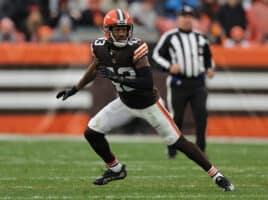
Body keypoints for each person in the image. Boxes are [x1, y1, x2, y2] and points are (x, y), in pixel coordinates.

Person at [56, 9, 234, 191]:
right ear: (107, 30)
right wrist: (75, 88)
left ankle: (216, 175)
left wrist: (119, 79)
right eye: (117, 29)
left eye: (124, 29)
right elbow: (94, 69)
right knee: (92, 132)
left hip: (149, 104)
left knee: (177, 141)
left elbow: (147, 82)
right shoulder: (100, 47)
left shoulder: (135, 47)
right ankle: (115, 169)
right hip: (125, 102)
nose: (122, 33)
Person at [152, 6, 214, 158]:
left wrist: (210, 68)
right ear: (178, 18)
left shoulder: (200, 37)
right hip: (178, 82)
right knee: (176, 118)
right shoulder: (170, 36)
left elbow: (208, 57)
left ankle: (201, 150)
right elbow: (156, 56)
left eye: (189, 15)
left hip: (198, 83)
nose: (186, 18)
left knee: (201, 116)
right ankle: (172, 149)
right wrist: (169, 66)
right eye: (183, 15)